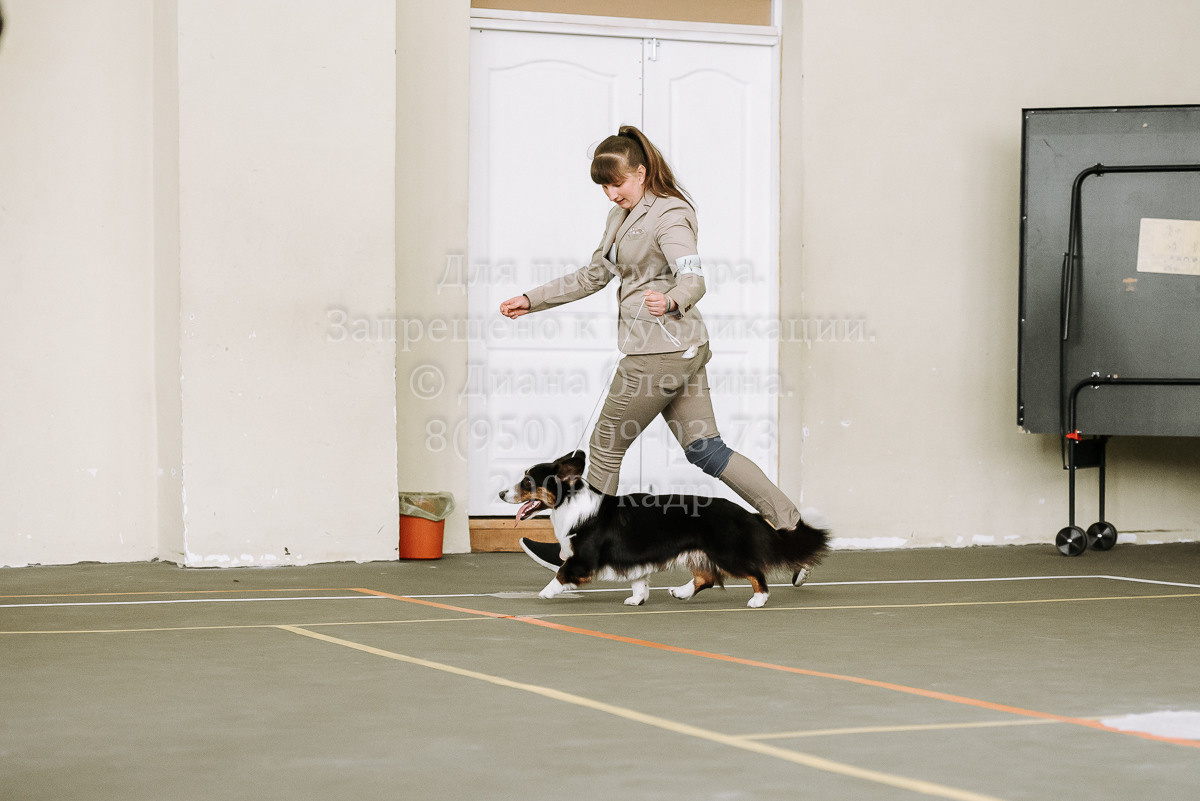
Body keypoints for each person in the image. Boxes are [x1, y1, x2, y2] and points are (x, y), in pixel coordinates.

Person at [499, 125, 805, 577]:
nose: (611, 194)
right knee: (706, 450)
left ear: (641, 173)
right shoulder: (619, 216)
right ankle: (793, 533)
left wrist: (673, 299)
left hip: (658, 353)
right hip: (682, 350)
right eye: (604, 187)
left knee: (605, 444)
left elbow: (693, 278)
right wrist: (532, 299)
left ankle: (580, 553)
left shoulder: (671, 215)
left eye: (617, 183)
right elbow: (593, 275)